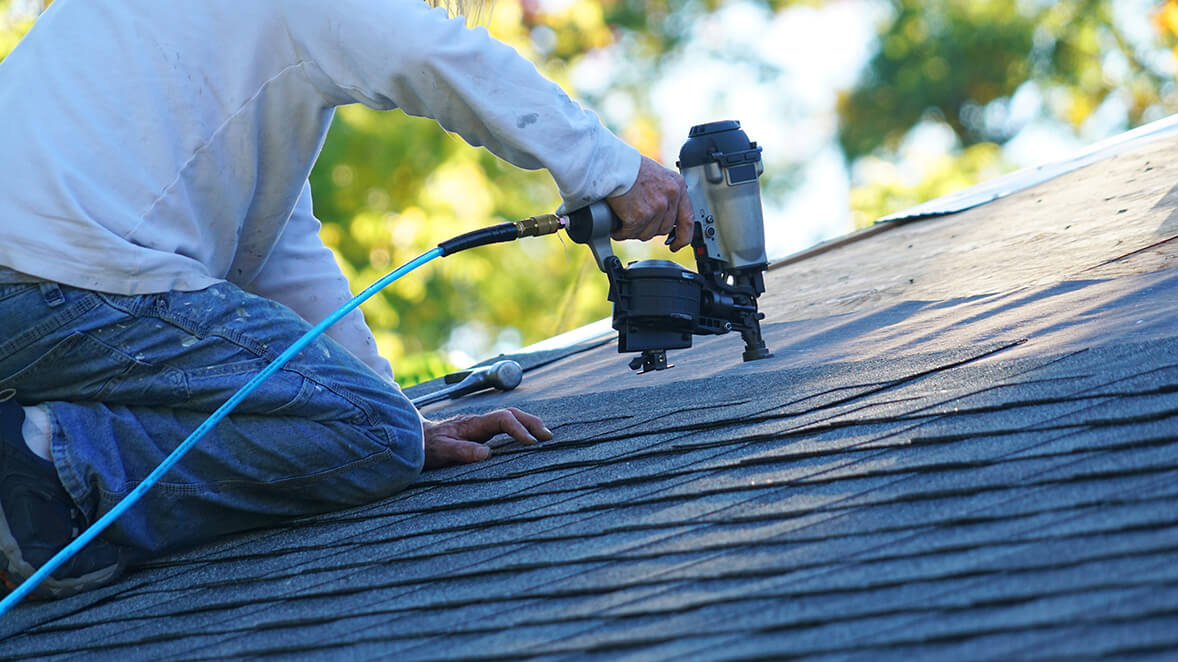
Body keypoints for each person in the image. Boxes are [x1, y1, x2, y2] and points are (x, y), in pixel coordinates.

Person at [0, 0, 693, 599]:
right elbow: (429, 51)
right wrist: (609, 167)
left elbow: (278, 252)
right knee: (375, 439)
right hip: (64, 276)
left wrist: (395, 413)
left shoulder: (226, 63)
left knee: (380, 430)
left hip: (43, 281)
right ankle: (44, 470)